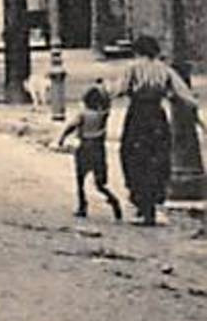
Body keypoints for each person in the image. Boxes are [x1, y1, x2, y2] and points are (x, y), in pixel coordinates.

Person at [113, 35, 193, 226]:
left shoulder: (132, 68)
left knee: (132, 155)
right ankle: (153, 200)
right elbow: (183, 94)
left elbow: (119, 90)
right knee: (158, 157)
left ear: (137, 50)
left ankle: (139, 199)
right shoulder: (164, 70)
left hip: (137, 115)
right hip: (157, 115)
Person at [57, 80, 122, 221]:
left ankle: (82, 206)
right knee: (100, 183)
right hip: (99, 148)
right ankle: (113, 200)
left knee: (80, 180)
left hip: (85, 147)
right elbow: (108, 102)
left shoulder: (83, 114)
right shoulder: (103, 115)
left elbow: (71, 126)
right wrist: (104, 90)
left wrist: (61, 139)